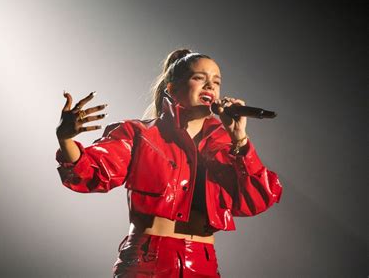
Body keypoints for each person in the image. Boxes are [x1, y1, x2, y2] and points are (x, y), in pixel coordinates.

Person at [55, 49, 283, 277]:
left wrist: (240, 139)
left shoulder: (227, 144)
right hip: (147, 262)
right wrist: (65, 138)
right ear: (172, 89)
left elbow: (258, 199)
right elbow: (91, 171)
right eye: (199, 78)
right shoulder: (140, 134)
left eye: (216, 81)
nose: (210, 86)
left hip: (203, 263)